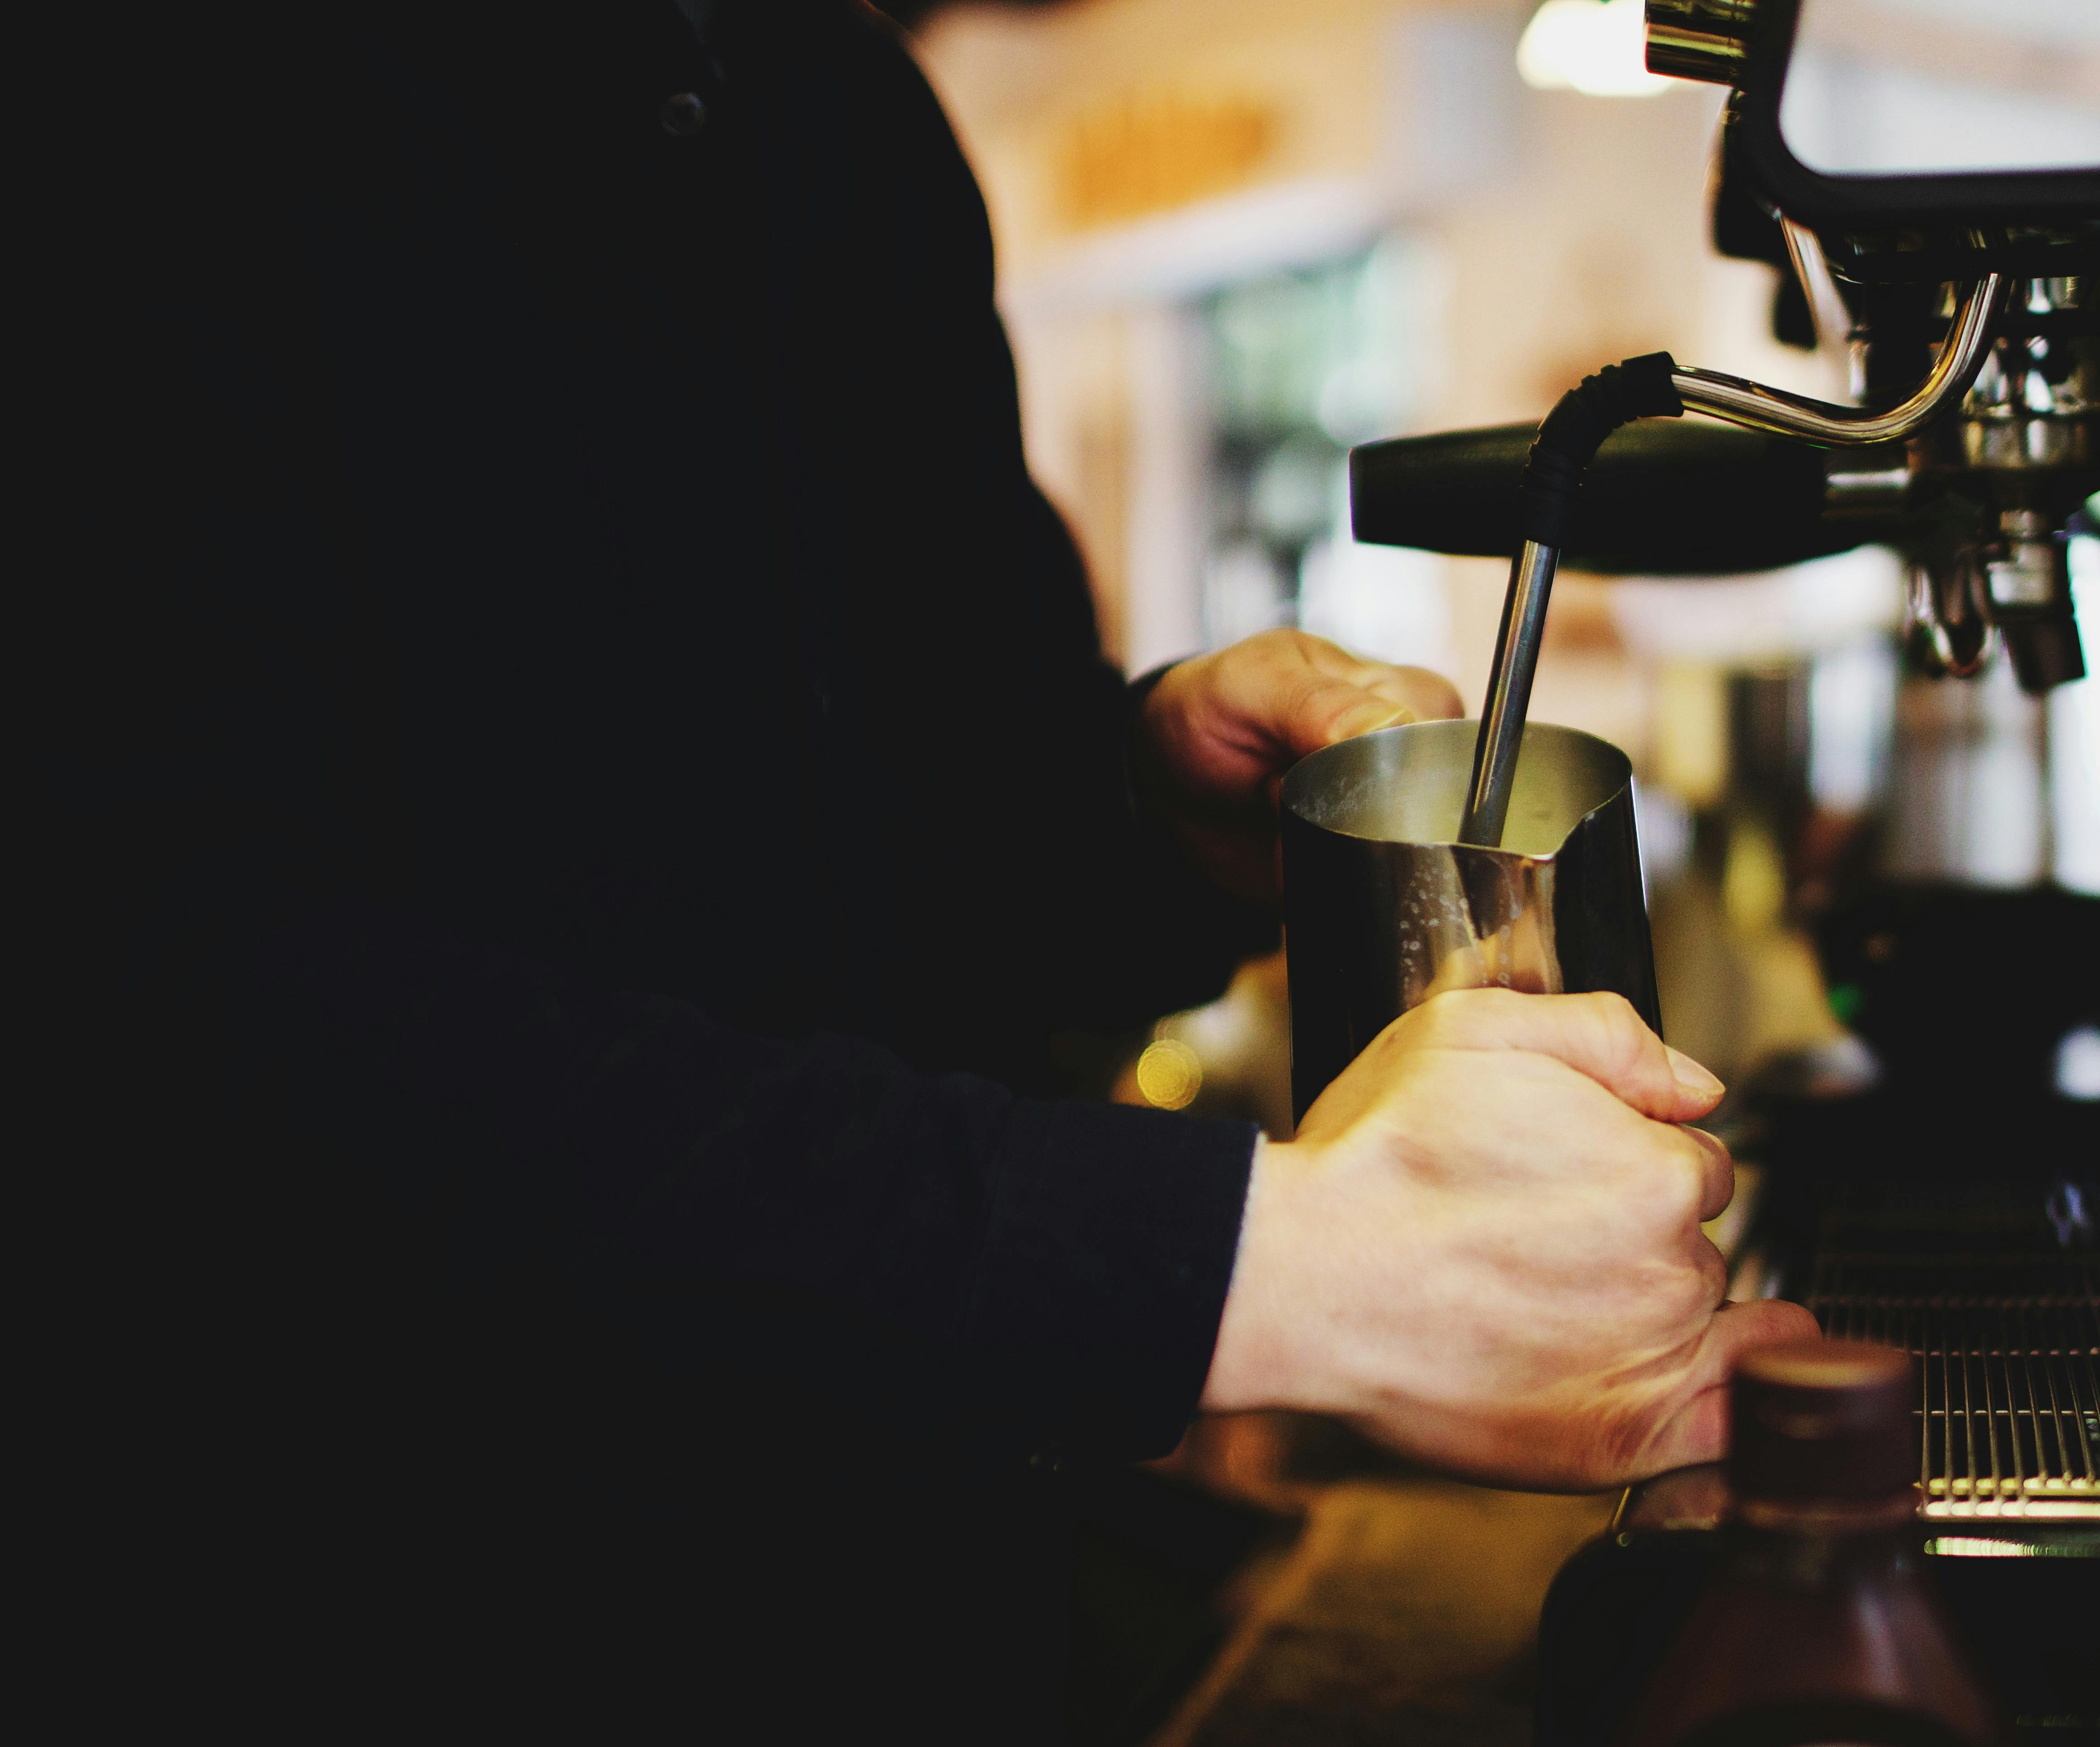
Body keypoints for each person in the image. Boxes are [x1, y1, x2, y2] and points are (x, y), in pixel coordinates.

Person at [30, 0, 1813, 1727]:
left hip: (917, 1613)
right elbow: (164, 1010)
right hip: (365, 1625)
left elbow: (886, 855)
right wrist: (1238, 1266)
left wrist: (1139, 807)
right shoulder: (141, 94)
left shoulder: (836, 107)